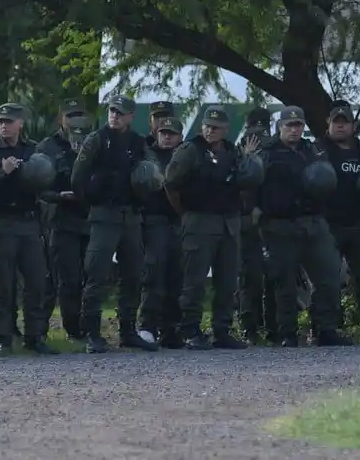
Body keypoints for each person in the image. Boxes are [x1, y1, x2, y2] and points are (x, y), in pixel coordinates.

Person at [256, 106, 352, 347]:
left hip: (313, 221)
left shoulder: (313, 150)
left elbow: (328, 180)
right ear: (280, 127)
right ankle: (286, 332)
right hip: (280, 224)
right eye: (289, 125)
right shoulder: (266, 152)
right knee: (284, 281)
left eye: (298, 125)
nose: (294, 129)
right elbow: (251, 184)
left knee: (329, 275)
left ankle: (325, 329)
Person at [70, 94, 157, 353]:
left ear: (131, 116)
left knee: (133, 274)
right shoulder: (97, 139)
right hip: (103, 215)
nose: (115, 116)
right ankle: (93, 334)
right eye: (112, 111)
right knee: (97, 274)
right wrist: (92, 205)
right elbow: (78, 179)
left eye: (120, 112)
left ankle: (128, 331)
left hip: (129, 216)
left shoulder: (138, 142)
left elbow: (152, 173)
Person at [0, 103, 58, 355]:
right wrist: (2, 172)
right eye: (0, 122)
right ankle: (4, 338)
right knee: (2, 285)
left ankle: (35, 337)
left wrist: (55, 195)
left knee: (36, 282)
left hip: (28, 222)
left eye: (9, 121)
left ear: (21, 123)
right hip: (0, 223)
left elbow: (43, 183)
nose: (3, 126)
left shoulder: (32, 150)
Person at [165, 108, 251, 350]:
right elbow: (171, 184)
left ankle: (221, 330)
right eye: (207, 126)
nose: (210, 130)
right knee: (195, 280)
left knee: (227, 280)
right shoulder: (190, 150)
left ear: (225, 130)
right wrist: (185, 213)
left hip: (228, 222)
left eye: (215, 127)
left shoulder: (231, 151)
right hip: (200, 220)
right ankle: (190, 329)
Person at [38, 99, 94, 342]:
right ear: (62, 119)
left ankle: (90, 327)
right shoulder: (47, 147)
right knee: (67, 278)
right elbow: (38, 188)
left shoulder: (96, 142)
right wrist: (58, 196)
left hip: (92, 220)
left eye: (80, 115)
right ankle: (73, 330)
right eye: (71, 116)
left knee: (92, 277)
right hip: (61, 220)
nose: (75, 121)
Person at [315, 100, 360, 323]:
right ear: (328, 123)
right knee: (326, 276)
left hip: (358, 223)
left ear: (353, 125)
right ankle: (325, 325)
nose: (340, 126)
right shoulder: (317, 150)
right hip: (327, 223)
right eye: (336, 122)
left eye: (345, 122)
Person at [140, 116, 185, 348]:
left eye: (172, 133)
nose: (167, 136)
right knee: (154, 274)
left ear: (180, 137)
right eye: (163, 132)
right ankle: (147, 326)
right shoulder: (147, 156)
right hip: (154, 221)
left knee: (177, 277)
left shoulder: (186, 156)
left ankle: (171, 329)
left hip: (179, 222)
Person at [237, 107, 278, 343]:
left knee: (274, 276)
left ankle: (273, 327)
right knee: (249, 277)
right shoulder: (238, 150)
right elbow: (238, 182)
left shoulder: (275, 148)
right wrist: (247, 156)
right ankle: (249, 328)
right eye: (256, 126)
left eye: (263, 126)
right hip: (247, 221)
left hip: (271, 219)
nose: (260, 132)